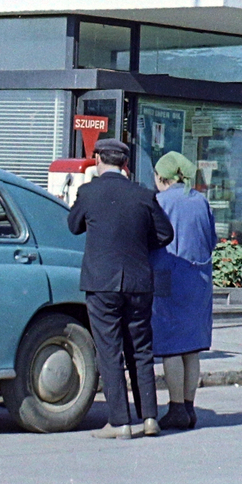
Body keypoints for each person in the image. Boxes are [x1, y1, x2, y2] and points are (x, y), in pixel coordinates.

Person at [66, 138, 174, 439]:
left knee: (109, 350)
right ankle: (150, 417)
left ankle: (119, 422)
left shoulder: (89, 192)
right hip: (139, 281)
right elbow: (165, 233)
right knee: (140, 348)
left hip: (102, 283)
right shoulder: (142, 193)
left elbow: (73, 225)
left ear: (98, 159)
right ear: (125, 163)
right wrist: (140, 244)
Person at [150, 151, 217, 431]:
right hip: (199, 280)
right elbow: (212, 240)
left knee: (171, 348)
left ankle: (176, 407)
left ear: (162, 177)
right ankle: (189, 407)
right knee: (192, 348)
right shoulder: (201, 201)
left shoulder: (160, 202)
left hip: (170, 279)